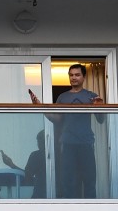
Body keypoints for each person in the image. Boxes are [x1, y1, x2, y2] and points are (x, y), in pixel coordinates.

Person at [31, 65, 105, 198]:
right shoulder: (62, 97)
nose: (74, 77)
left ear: (83, 77)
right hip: (67, 143)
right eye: (71, 75)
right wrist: (40, 107)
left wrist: (100, 107)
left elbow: (101, 119)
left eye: (77, 75)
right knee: (68, 180)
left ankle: (91, 210)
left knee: (89, 179)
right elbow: (57, 119)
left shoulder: (91, 96)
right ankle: (70, 209)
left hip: (85, 142)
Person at [1, 129, 47, 198]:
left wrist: (11, 165)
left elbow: (27, 178)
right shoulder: (61, 156)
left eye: (39, 142)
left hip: (40, 197)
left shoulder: (36, 155)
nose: (37, 145)